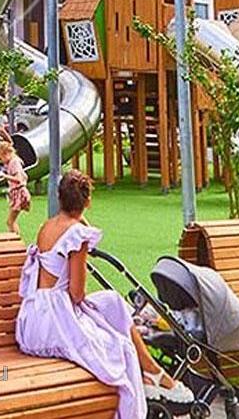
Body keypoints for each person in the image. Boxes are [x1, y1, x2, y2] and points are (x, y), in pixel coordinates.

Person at [16, 169, 190, 417]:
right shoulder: (77, 236)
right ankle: (152, 375)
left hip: (34, 316)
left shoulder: (48, 227)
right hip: (54, 322)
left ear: (59, 198)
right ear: (88, 201)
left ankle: (152, 372)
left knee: (113, 301)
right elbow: (77, 294)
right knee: (121, 347)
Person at [0, 140, 32, 233]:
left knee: (10, 222)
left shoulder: (14, 163)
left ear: (6, 154)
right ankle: (14, 238)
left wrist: (4, 176)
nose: (1, 161)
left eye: (1, 158)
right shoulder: (13, 162)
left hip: (18, 193)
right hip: (15, 193)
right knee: (11, 221)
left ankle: (15, 239)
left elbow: (18, 179)